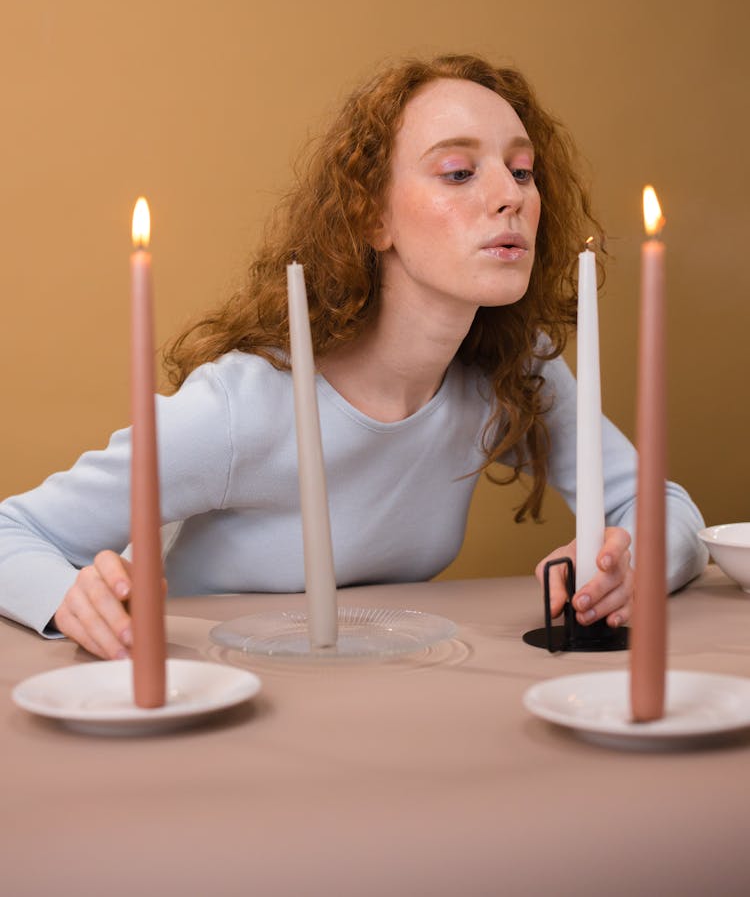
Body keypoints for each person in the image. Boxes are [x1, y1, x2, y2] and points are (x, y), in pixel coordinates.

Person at [0, 54, 707, 659]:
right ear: (373, 216)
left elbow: (661, 508)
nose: (510, 197)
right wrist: (70, 600)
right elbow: (10, 531)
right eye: (459, 172)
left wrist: (628, 564)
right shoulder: (243, 408)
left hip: (385, 706)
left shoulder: (514, 372)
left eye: (522, 171)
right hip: (218, 711)